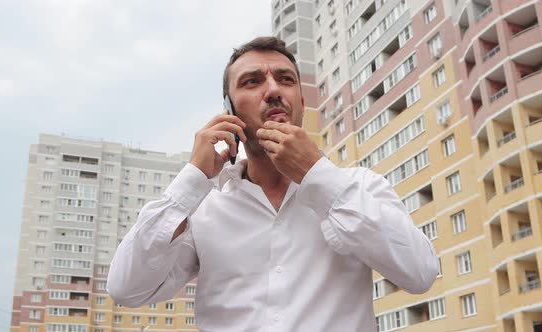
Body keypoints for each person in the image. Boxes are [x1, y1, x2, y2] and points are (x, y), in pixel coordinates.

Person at [107, 36, 438, 331]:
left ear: (301, 102)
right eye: (252, 82)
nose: (273, 90)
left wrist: (317, 175)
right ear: (229, 109)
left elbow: (420, 273)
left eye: (285, 79)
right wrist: (192, 178)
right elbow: (126, 288)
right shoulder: (205, 209)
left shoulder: (359, 187)